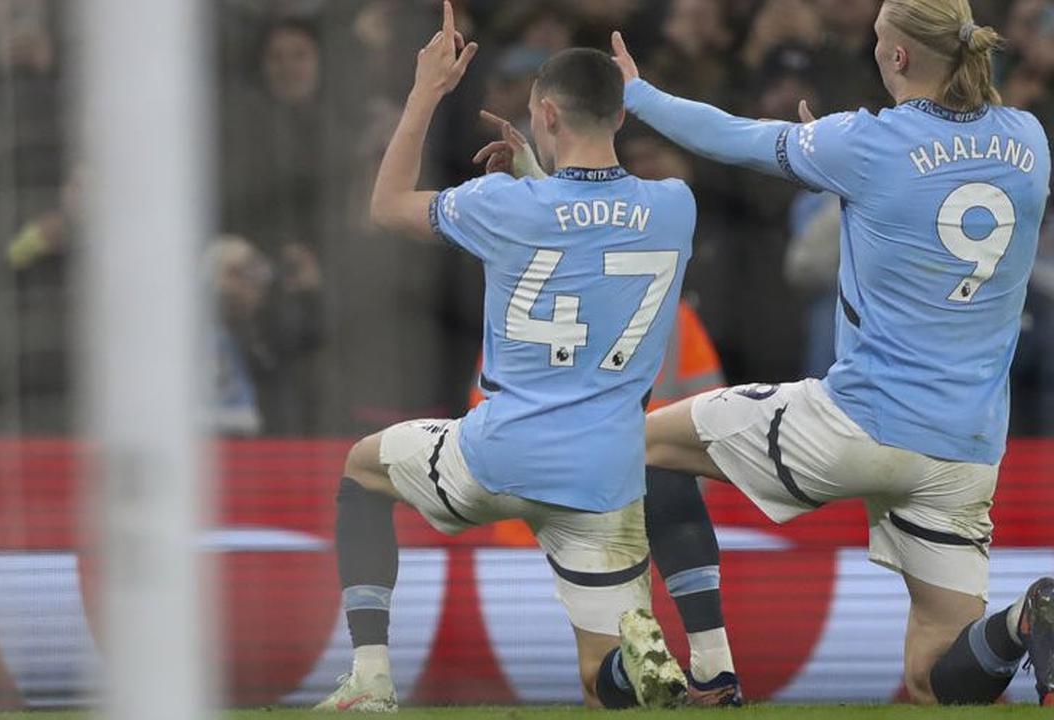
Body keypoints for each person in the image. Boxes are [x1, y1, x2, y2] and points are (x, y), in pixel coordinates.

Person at [606, 0, 1053, 706]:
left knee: (640, 446)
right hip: (963, 452)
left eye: (879, 38)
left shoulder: (864, 142)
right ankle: (1024, 619)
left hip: (859, 424)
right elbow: (941, 178)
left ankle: (713, 669)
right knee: (935, 675)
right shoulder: (1028, 138)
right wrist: (840, 159)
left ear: (897, 56)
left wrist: (638, 94)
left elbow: (732, 136)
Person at [317, 3, 701, 711]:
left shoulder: (501, 205)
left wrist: (426, 91)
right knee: (599, 674)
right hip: (604, 475)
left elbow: (387, 205)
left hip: (499, 454)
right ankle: (627, 668)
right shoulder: (675, 205)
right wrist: (534, 174)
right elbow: (590, 231)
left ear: (546, 114)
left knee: (363, 470)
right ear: (620, 116)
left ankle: (370, 676)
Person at [470, 298, 741, 705]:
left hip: (535, 540)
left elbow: (487, 436)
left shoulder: (524, 300)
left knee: (594, 670)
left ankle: (632, 670)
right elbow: (711, 425)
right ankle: (695, 669)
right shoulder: (670, 309)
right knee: (600, 667)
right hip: (635, 519)